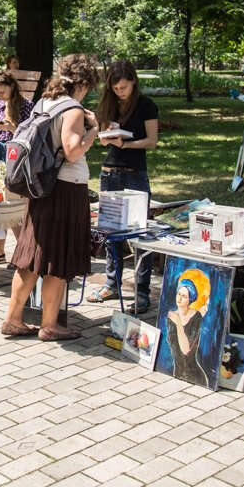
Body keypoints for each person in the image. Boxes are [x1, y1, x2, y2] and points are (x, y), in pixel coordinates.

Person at [0, 54, 99, 341]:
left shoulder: (45, 102)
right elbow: (72, 151)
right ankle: (50, 325)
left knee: (31, 257)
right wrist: (93, 130)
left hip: (40, 187)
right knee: (58, 260)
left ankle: (13, 319)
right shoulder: (73, 109)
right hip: (65, 190)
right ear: (83, 84)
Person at [89, 60, 159, 313]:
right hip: (110, 171)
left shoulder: (146, 104)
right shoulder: (109, 104)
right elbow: (101, 134)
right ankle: (112, 282)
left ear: (133, 82)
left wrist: (126, 144)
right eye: (115, 88)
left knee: (140, 233)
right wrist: (105, 135)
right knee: (110, 232)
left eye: (123, 88)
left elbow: (152, 141)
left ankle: (142, 291)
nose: (120, 92)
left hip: (134, 173)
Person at [0, 71, 35, 265]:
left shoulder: (26, 106)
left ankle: (23, 253)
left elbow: (31, 136)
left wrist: (12, 129)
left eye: (2, 91)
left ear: (11, 86)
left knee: (13, 203)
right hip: (0, 151)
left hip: (16, 154)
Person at [165, 270, 210, 384]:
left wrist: (178, 323)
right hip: (178, 374)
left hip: (195, 378)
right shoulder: (171, 317)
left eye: (184, 296)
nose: (179, 298)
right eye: (179, 294)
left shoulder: (196, 317)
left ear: (190, 299)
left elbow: (186, 350)